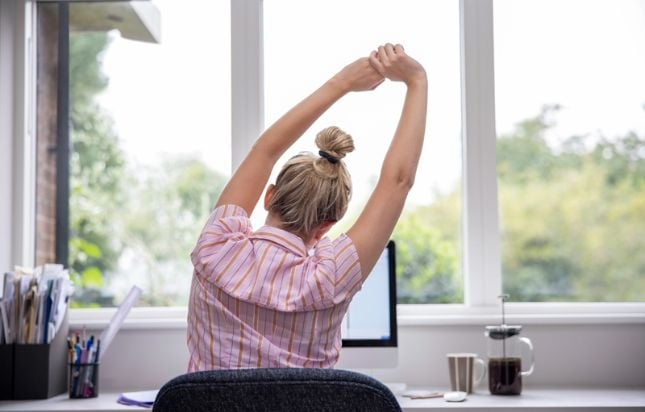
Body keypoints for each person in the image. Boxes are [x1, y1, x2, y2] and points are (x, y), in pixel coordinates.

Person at [188, 43, 427, 371]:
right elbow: (397, 183)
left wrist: (341, 83)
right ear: (327, 224)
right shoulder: (330, 277)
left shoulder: (216, 247)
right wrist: (417, 81)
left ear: (269, 195)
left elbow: (264, 152)